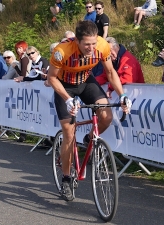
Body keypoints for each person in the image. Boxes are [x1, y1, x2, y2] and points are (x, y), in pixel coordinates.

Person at [47, 20, 131, 201]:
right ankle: (67, 178)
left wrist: (122, 95)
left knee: (107, 116)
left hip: (86, 82)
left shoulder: (102, 45)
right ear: (76, 41)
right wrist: (68, 99)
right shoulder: (62, 51)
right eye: (86, 44)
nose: (91, 48)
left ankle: (89, 138)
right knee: (69, 133)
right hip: (64, 86)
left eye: (93, 43)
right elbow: (51, 78)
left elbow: (110, 73)